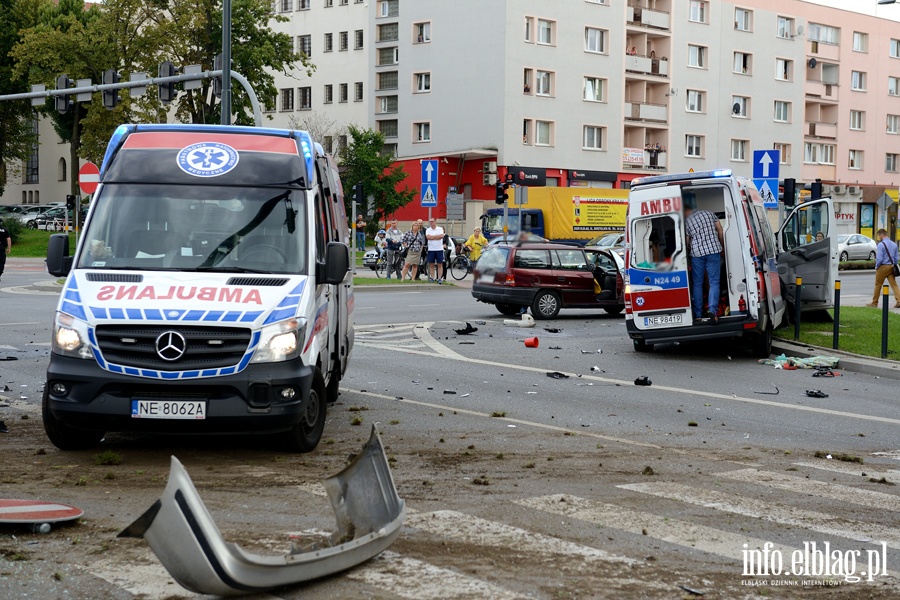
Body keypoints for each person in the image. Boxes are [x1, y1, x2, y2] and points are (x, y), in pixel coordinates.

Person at [685, 204, 725, 322]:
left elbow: (687, 242)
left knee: (697, 284)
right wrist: (722, 246)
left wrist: (691, 248)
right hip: (713, 251)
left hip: (697, 255)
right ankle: (713, 311)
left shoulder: (687, 221)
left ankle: (698, 314)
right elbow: (720, 230)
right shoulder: (709, 213)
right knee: (714, 282)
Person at [867, 229, 900, 308]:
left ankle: (874, 303)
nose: (879, 237)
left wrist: (877, 266)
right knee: (894, 284)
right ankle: (899, 301)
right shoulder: (894, 244)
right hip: (891, 267)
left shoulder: (881, 245)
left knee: (878, 285)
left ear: (882, 235)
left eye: (879, 236)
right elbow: (896, 258)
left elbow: (879, 258)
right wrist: (893, 265)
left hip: (883, 267)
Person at [424, 217, 445, 283]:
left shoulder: (440, 229)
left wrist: (433, 237)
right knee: (431, 264)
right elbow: (428, 237)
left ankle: (439, 278)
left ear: (435, 222)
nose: (431, 223)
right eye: (430, 221)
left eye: (432, 221)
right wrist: (436, 237)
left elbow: (441, 236)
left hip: (439, 249)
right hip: (431, 249)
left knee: (439, 264)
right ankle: (432, 277)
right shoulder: (428, 230)